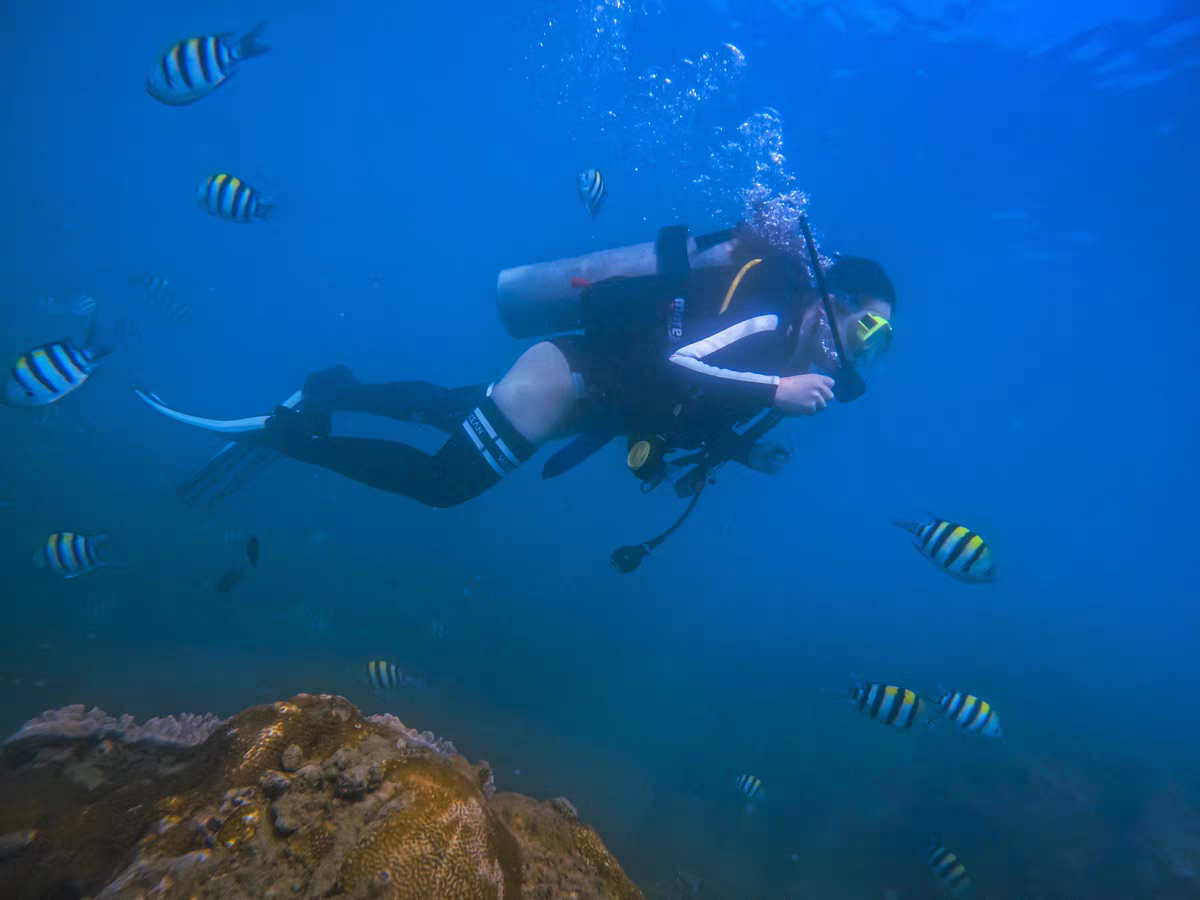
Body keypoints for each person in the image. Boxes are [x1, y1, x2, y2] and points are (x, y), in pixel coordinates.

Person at [137, 224, 895, 519]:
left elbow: (695, 403)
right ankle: (289, 433)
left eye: (880, 342)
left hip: (589, 400)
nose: (862, 348)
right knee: (446, 485)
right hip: (571, 375)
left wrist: (746, 447)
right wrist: (777, 392)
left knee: (452, 410)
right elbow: (678, 361)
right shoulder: (765, 320)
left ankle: (331, 388)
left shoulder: (786, 360)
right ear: (830, 300)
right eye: (868, 325)